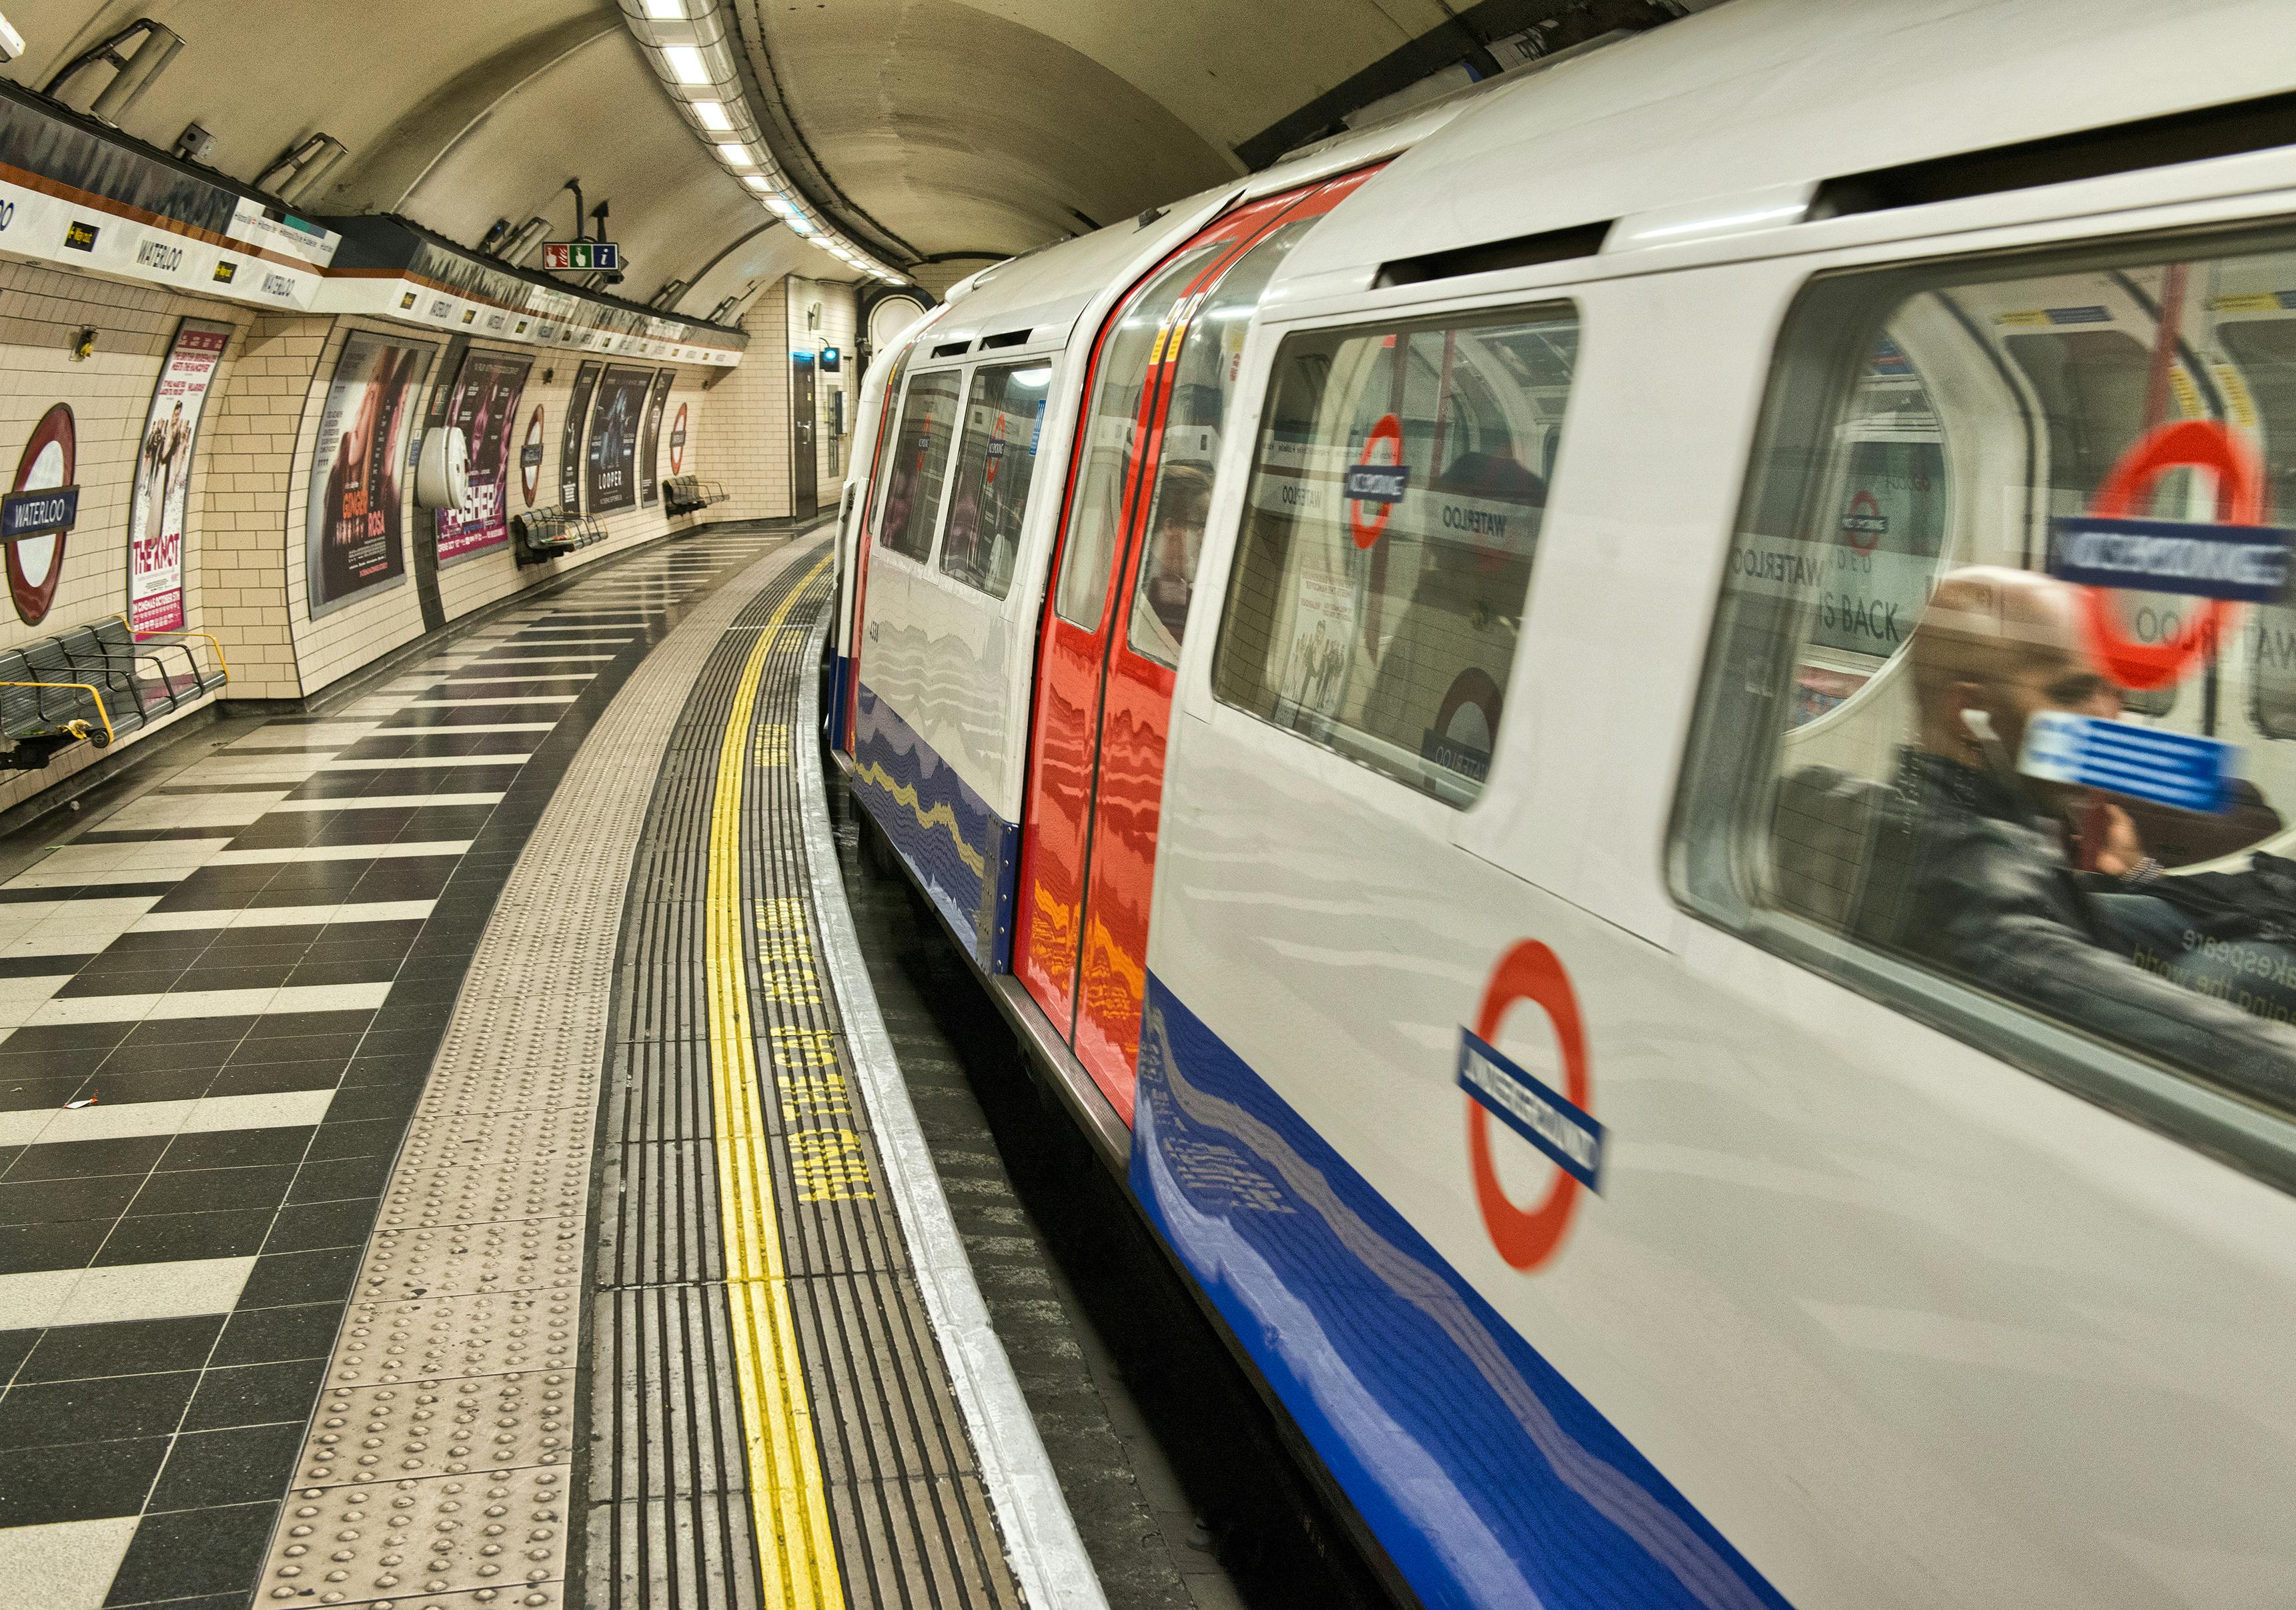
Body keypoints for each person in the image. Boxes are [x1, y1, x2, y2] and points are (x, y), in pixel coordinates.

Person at [1874, 565, 2296, 1105]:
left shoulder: (1920, 820)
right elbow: (2200, 1038)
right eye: (2074, 693)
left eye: (2111, 689)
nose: (2109, 718)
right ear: (1970, 714)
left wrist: (2143, 873)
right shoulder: (1981, 893)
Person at [1133, 463, 1213, 663]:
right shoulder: (1151, 595)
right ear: (1170, 527)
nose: (1205, 538)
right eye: (1201, 526)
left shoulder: (1167, 586)